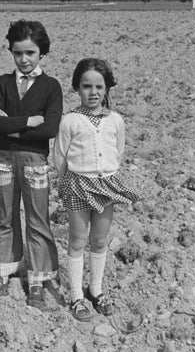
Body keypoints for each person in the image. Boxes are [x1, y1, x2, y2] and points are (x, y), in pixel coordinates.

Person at [53, 58, 140, 321]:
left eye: (99, 87)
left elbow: (118, 150)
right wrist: (71, 180)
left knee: (100, 239)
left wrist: (105, 173)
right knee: (78, 239)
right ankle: (77, 295)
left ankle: (96, 289)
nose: (93, 92)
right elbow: (60, 156)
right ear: (77, 89)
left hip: (105, 184)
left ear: (107, 89)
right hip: (78, 184)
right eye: (86, 86)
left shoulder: (115, 120)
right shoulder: (70, 120)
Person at [0, 20, 63, 309]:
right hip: (4, 160)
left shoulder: (51, 87)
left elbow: (50, 128)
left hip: (35, 161)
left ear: (41, 52)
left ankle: (38, 279)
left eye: (30, 53)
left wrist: (10, 125)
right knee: (4, 217)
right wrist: (28, 122)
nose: (24, 59)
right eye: (18, 53)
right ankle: (3, 271)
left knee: (37, 219)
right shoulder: (2, 84)